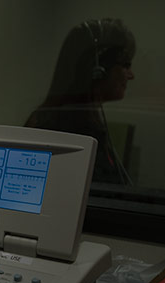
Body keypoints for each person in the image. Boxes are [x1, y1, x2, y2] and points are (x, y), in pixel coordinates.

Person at [25, 18, 136, 185]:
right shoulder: (71, 131)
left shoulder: (81, 120)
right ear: (98, 69)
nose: (131, 75)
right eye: (126, 65)